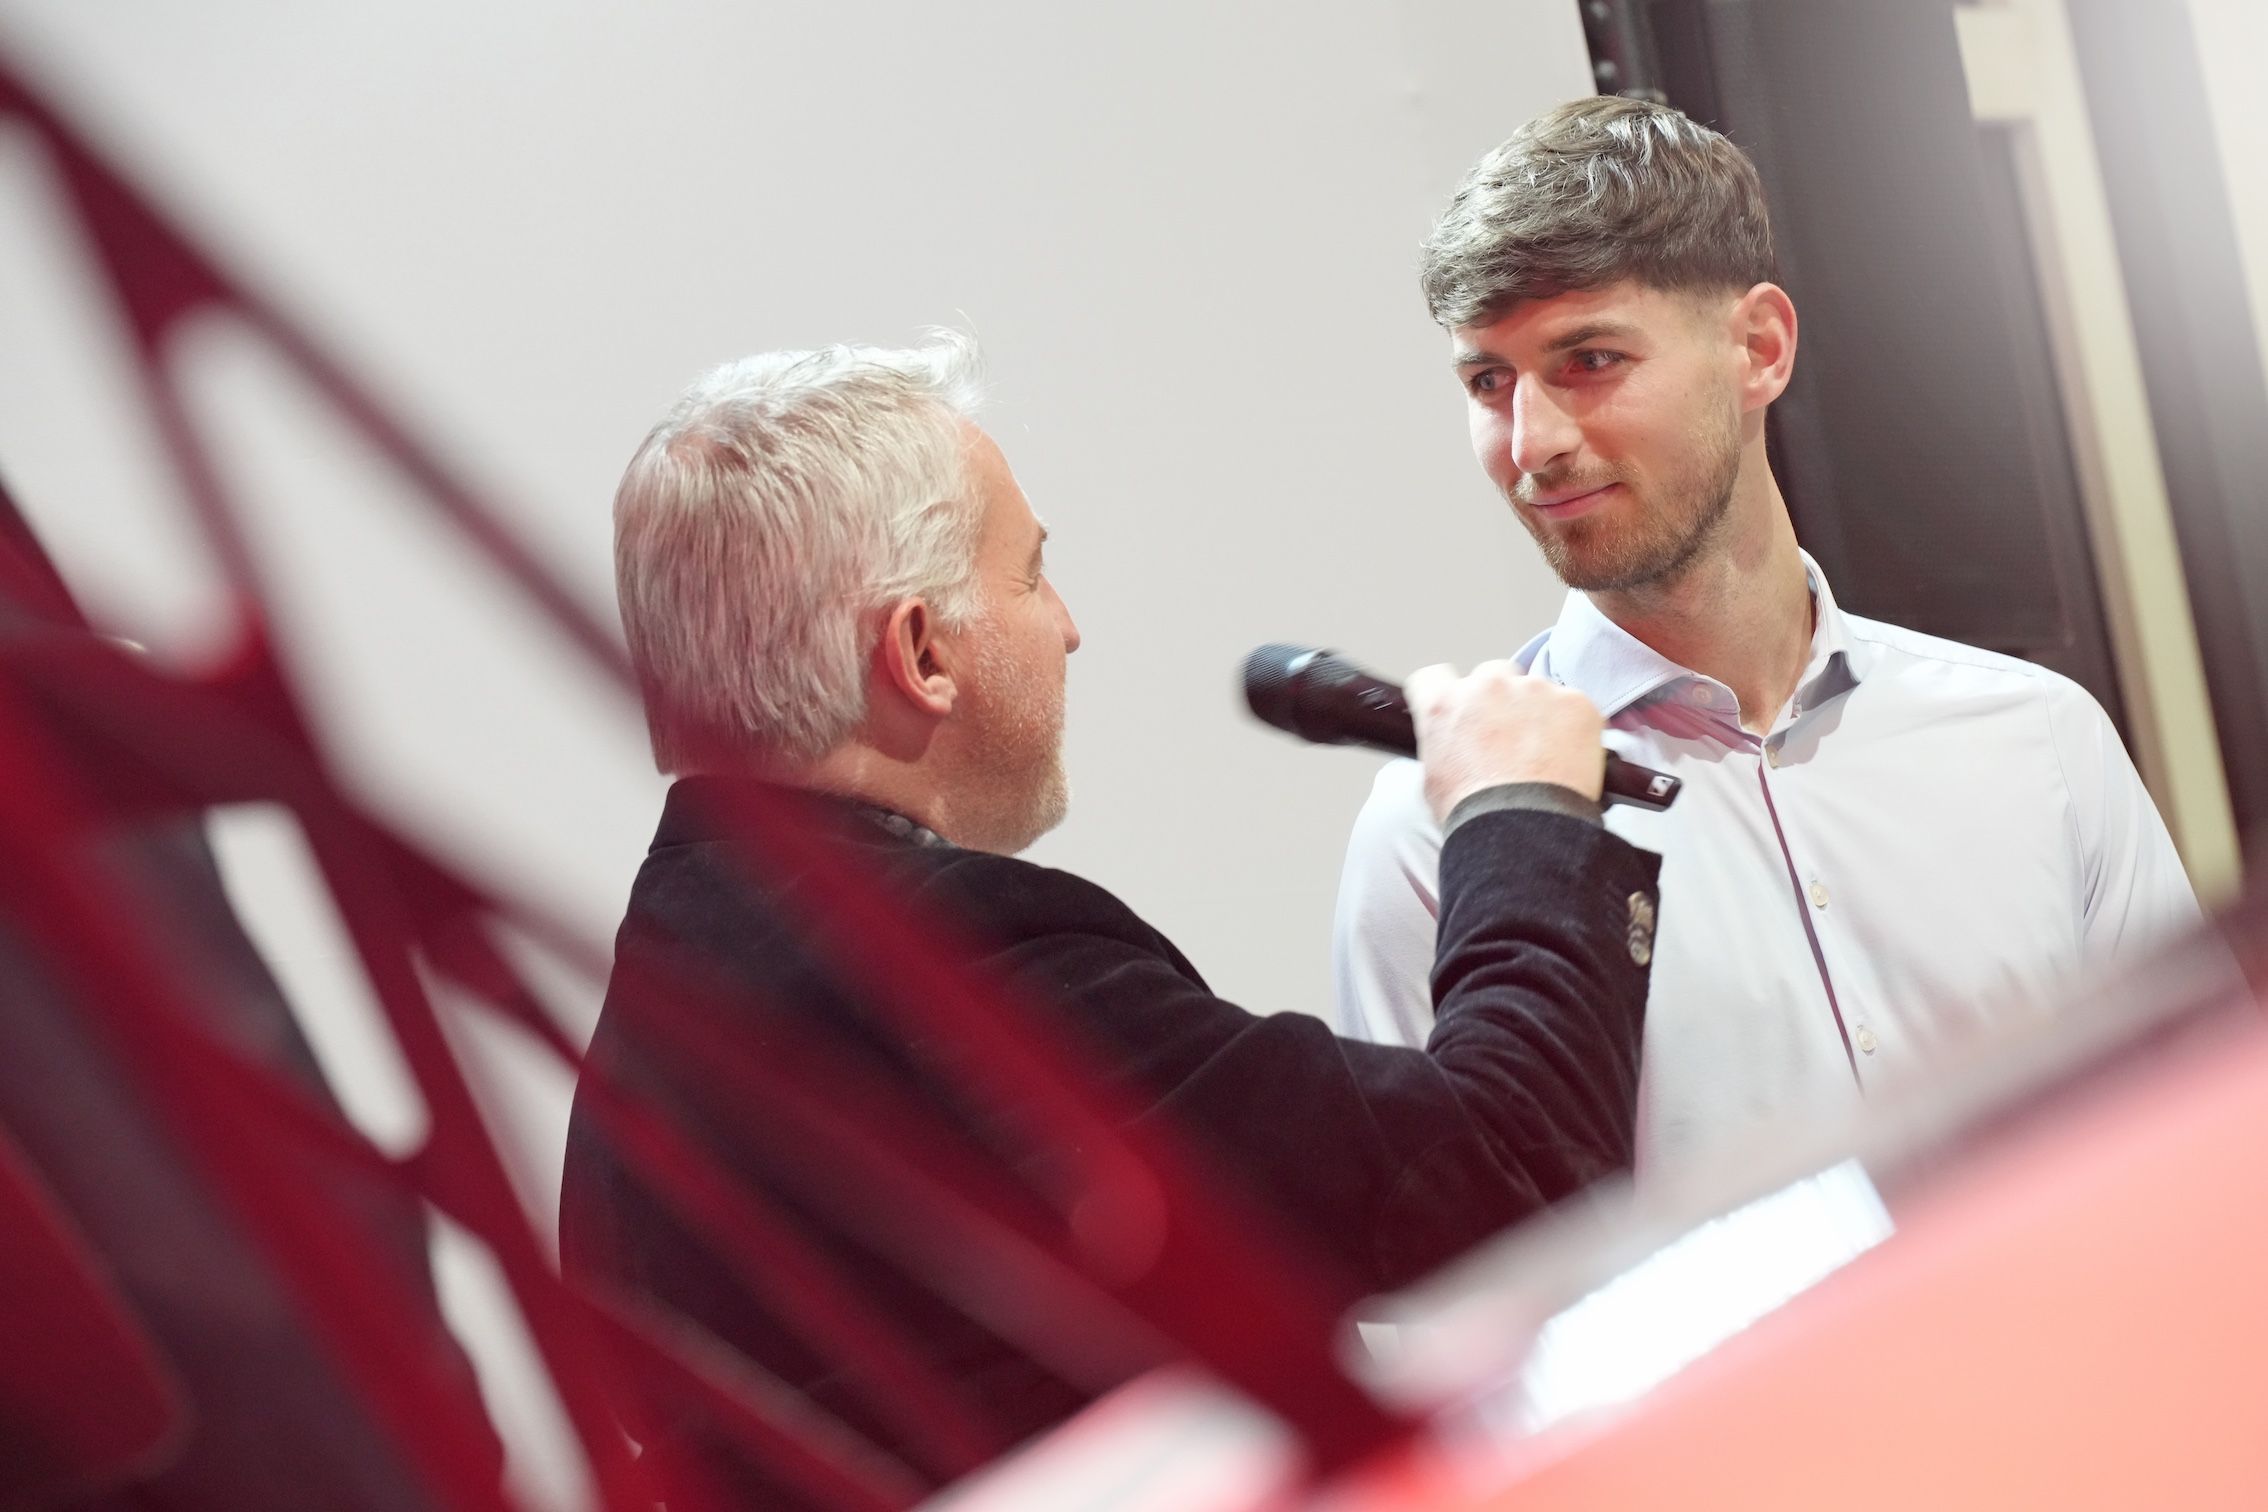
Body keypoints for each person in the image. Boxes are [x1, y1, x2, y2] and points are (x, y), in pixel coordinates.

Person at [558, 334, 1661, 1504]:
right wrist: (1519, 810)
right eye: (1031, 575)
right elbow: (1509, 1176)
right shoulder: (954, 970)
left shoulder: (646, 1028)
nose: (1069, 626)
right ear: (921, 652)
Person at [1332, 96, 2205, 1185]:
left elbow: (2205, 1146)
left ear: (1758, 348)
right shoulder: (1440, 835)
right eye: (1487, 382)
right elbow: (1441, 1261)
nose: (1531, 442)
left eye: (1589, 359)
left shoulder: (2037, 739)